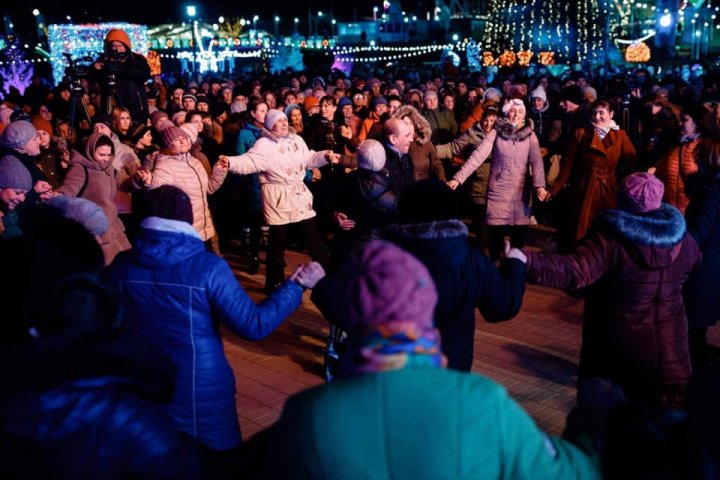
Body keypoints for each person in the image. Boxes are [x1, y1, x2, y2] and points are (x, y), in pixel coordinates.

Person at [260, 240, 600, 480]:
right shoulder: (484, 403)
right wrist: (590, 419)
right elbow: (571, 472)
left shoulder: (309, 415)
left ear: (348, 312)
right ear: (425, 305)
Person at [105, 185, 326, 456]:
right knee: (217, 465)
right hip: (201, 389)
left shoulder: (120, 265)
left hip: (141, 384)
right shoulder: (207, 266)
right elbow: (254, 324)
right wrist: (295, 286)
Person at [525, 172, 701, 409]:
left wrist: (527, 261)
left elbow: (573, 271)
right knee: (659, 430)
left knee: (610, 428)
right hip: (670, 354)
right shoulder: (683, 240)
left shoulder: (610, 240)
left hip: (618, 352)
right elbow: (695, 264)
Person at [219, 110, 340, 292]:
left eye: (285, 119)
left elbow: (308, 159)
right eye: (279, 121)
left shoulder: (296, 140)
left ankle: (330, 276)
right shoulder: (264, 145)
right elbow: (248, 161)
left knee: (313, 237)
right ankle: (273, 283)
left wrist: (325, 156)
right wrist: (230, 162)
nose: (284, 123)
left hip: (298, 195)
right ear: (270, 125)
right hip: (278, 197)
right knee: (277, 242)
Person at [448, 98, 547, 260]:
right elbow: (477, 156)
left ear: (524, 114)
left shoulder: (530, 135)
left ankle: (515, 271)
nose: (516, 115)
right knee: (495, 239)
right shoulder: (496, 132)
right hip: (499, 190)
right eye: (513, 111)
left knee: (518, 241)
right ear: (507, 112)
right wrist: (458, 178)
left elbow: (536, 162)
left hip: (521, 192)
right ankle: (495, 273)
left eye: (520, 112)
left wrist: (539, 186)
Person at [548, 99, 638, 247]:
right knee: (581, 234)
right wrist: (554, 190)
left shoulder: (620, 136)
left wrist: (628, 191)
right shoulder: (581, 134)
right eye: (594, 113)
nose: (597, 117)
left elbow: (632, 166)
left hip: (609, 192)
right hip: (584, 191)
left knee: (606, 235)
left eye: (601, 113)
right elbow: (567, 166)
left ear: (611, 114)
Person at [55, 132, 131, 265]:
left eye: (108, 155)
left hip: (113, 225)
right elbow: (70, 186)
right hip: (97, 229)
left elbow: (125, 184)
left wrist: (140, 180)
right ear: (90, 151)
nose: (106, 159)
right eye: (101, 155)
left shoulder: (109, 168)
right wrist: (60, 195)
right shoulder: (80, 168)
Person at [683, 137, 720, 371]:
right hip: (713, 262)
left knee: (693, 326)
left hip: (706, 264)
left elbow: (699, 231)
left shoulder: (711, 192)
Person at [93, 28, 151, 122]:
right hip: (113, 106)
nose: (117, 50)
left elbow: (145, 75)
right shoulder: (104, 60)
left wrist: (125, 67)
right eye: (114, 46)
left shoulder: (137, 59)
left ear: (126, 46)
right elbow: (96, 80)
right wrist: (96, 69)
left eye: (120, 46)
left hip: (136, 106)